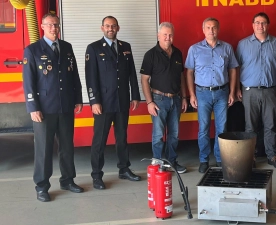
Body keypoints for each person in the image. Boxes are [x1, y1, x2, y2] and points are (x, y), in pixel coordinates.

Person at [22, 13, 84, 202]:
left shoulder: (66, 47)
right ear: (42, 26)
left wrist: (78, 98)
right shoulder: (32, 50)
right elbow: (29, 82)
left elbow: (74, 75)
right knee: (44, 149)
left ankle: (67, 180)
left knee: (67, 147)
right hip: (44, 110)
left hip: (65, 106)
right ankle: (42, 186)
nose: (54, 28)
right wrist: (33, 107)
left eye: (56, 25)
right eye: (50, 25)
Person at [85, 16, 141, 190]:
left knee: (122, 137)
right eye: (107, 26)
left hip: (122, 101)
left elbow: (131, 73)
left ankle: (124, 169)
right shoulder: (93, 48)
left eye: (113, 26)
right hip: (103, 103)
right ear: (102, 28)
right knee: (99, 141)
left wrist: (135, 96)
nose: (111, 28)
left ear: (118, 27)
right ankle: (96, 175)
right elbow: (90, 77)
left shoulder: (126, 47)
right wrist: (94, 101)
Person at [236, 12, 276, 169]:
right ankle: (250, 158)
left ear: (268, 25)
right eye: (257, 23)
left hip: (271, 91)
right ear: (253, 25)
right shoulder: (243, 44)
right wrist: (237, 89)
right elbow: (236, 68)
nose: (260, 26)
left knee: (271, 125)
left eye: (263, 23)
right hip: (249, 91)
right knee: (250, 126)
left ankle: (271, 156)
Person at [185, 17, 238, 173]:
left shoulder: (227, 48)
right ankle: (204, 160)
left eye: (214, 27)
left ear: (218, 29)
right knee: (204, 129)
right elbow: (188, 72)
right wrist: (191, 95)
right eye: (208, 27)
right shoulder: (194, 49)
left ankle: (220, 159)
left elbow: (233, 69)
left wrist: (232, 92)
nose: (211, 30)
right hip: (202, 94)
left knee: (222, 128)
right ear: (203, 30)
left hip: (222, 92)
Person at [141, 22, 188, 173]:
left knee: (174, 135)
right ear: (158, 36)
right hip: (158, 100)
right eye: (165, 35)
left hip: (176, 99)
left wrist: (184, 97)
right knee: (158, 135)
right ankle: (158, 164)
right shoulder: (150, 55)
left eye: (170, 35)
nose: (168, 37)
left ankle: (172, 162)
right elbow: (144, 79)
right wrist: (149, 102)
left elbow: (181, 76)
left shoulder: (178, 53)